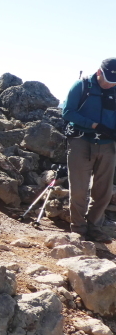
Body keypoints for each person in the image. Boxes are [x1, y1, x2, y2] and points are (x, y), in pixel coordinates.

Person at [62, 58, 116, 243]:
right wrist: (93, 125)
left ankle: (94, 228)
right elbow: (67, 112)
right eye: (108, 80)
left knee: (104, 191)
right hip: (81, 141)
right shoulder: (82, 85)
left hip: (108, 145)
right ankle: (78, 229)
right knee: (79, 189)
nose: (111, 84)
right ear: (99, 72)